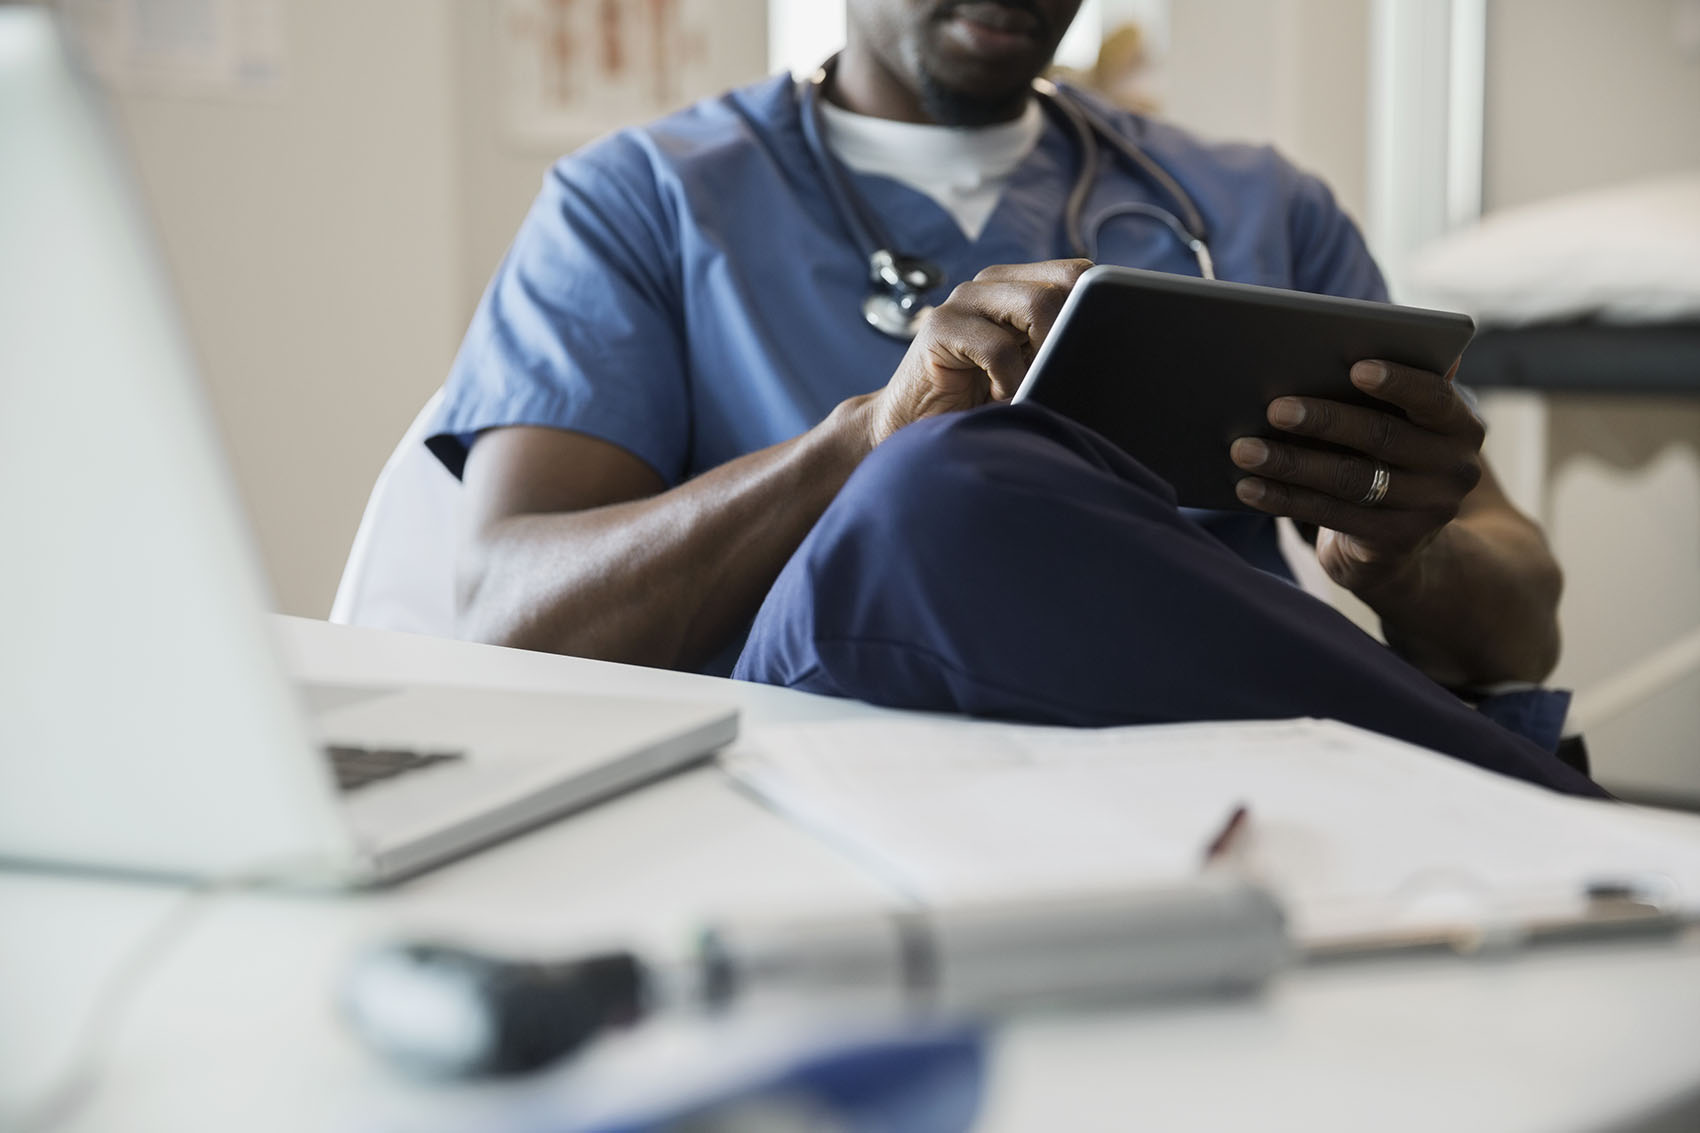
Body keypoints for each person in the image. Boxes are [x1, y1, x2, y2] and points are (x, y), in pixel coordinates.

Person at [426, 0, 1599, 796]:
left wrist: (1405, 558)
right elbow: (510, 622)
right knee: (933, 487)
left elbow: (1517, 624)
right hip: (820, 775)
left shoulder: (1256, 207)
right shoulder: (637, 203)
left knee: (953, 481)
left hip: (1192, 777)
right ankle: (1536, 797)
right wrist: (858, 446)